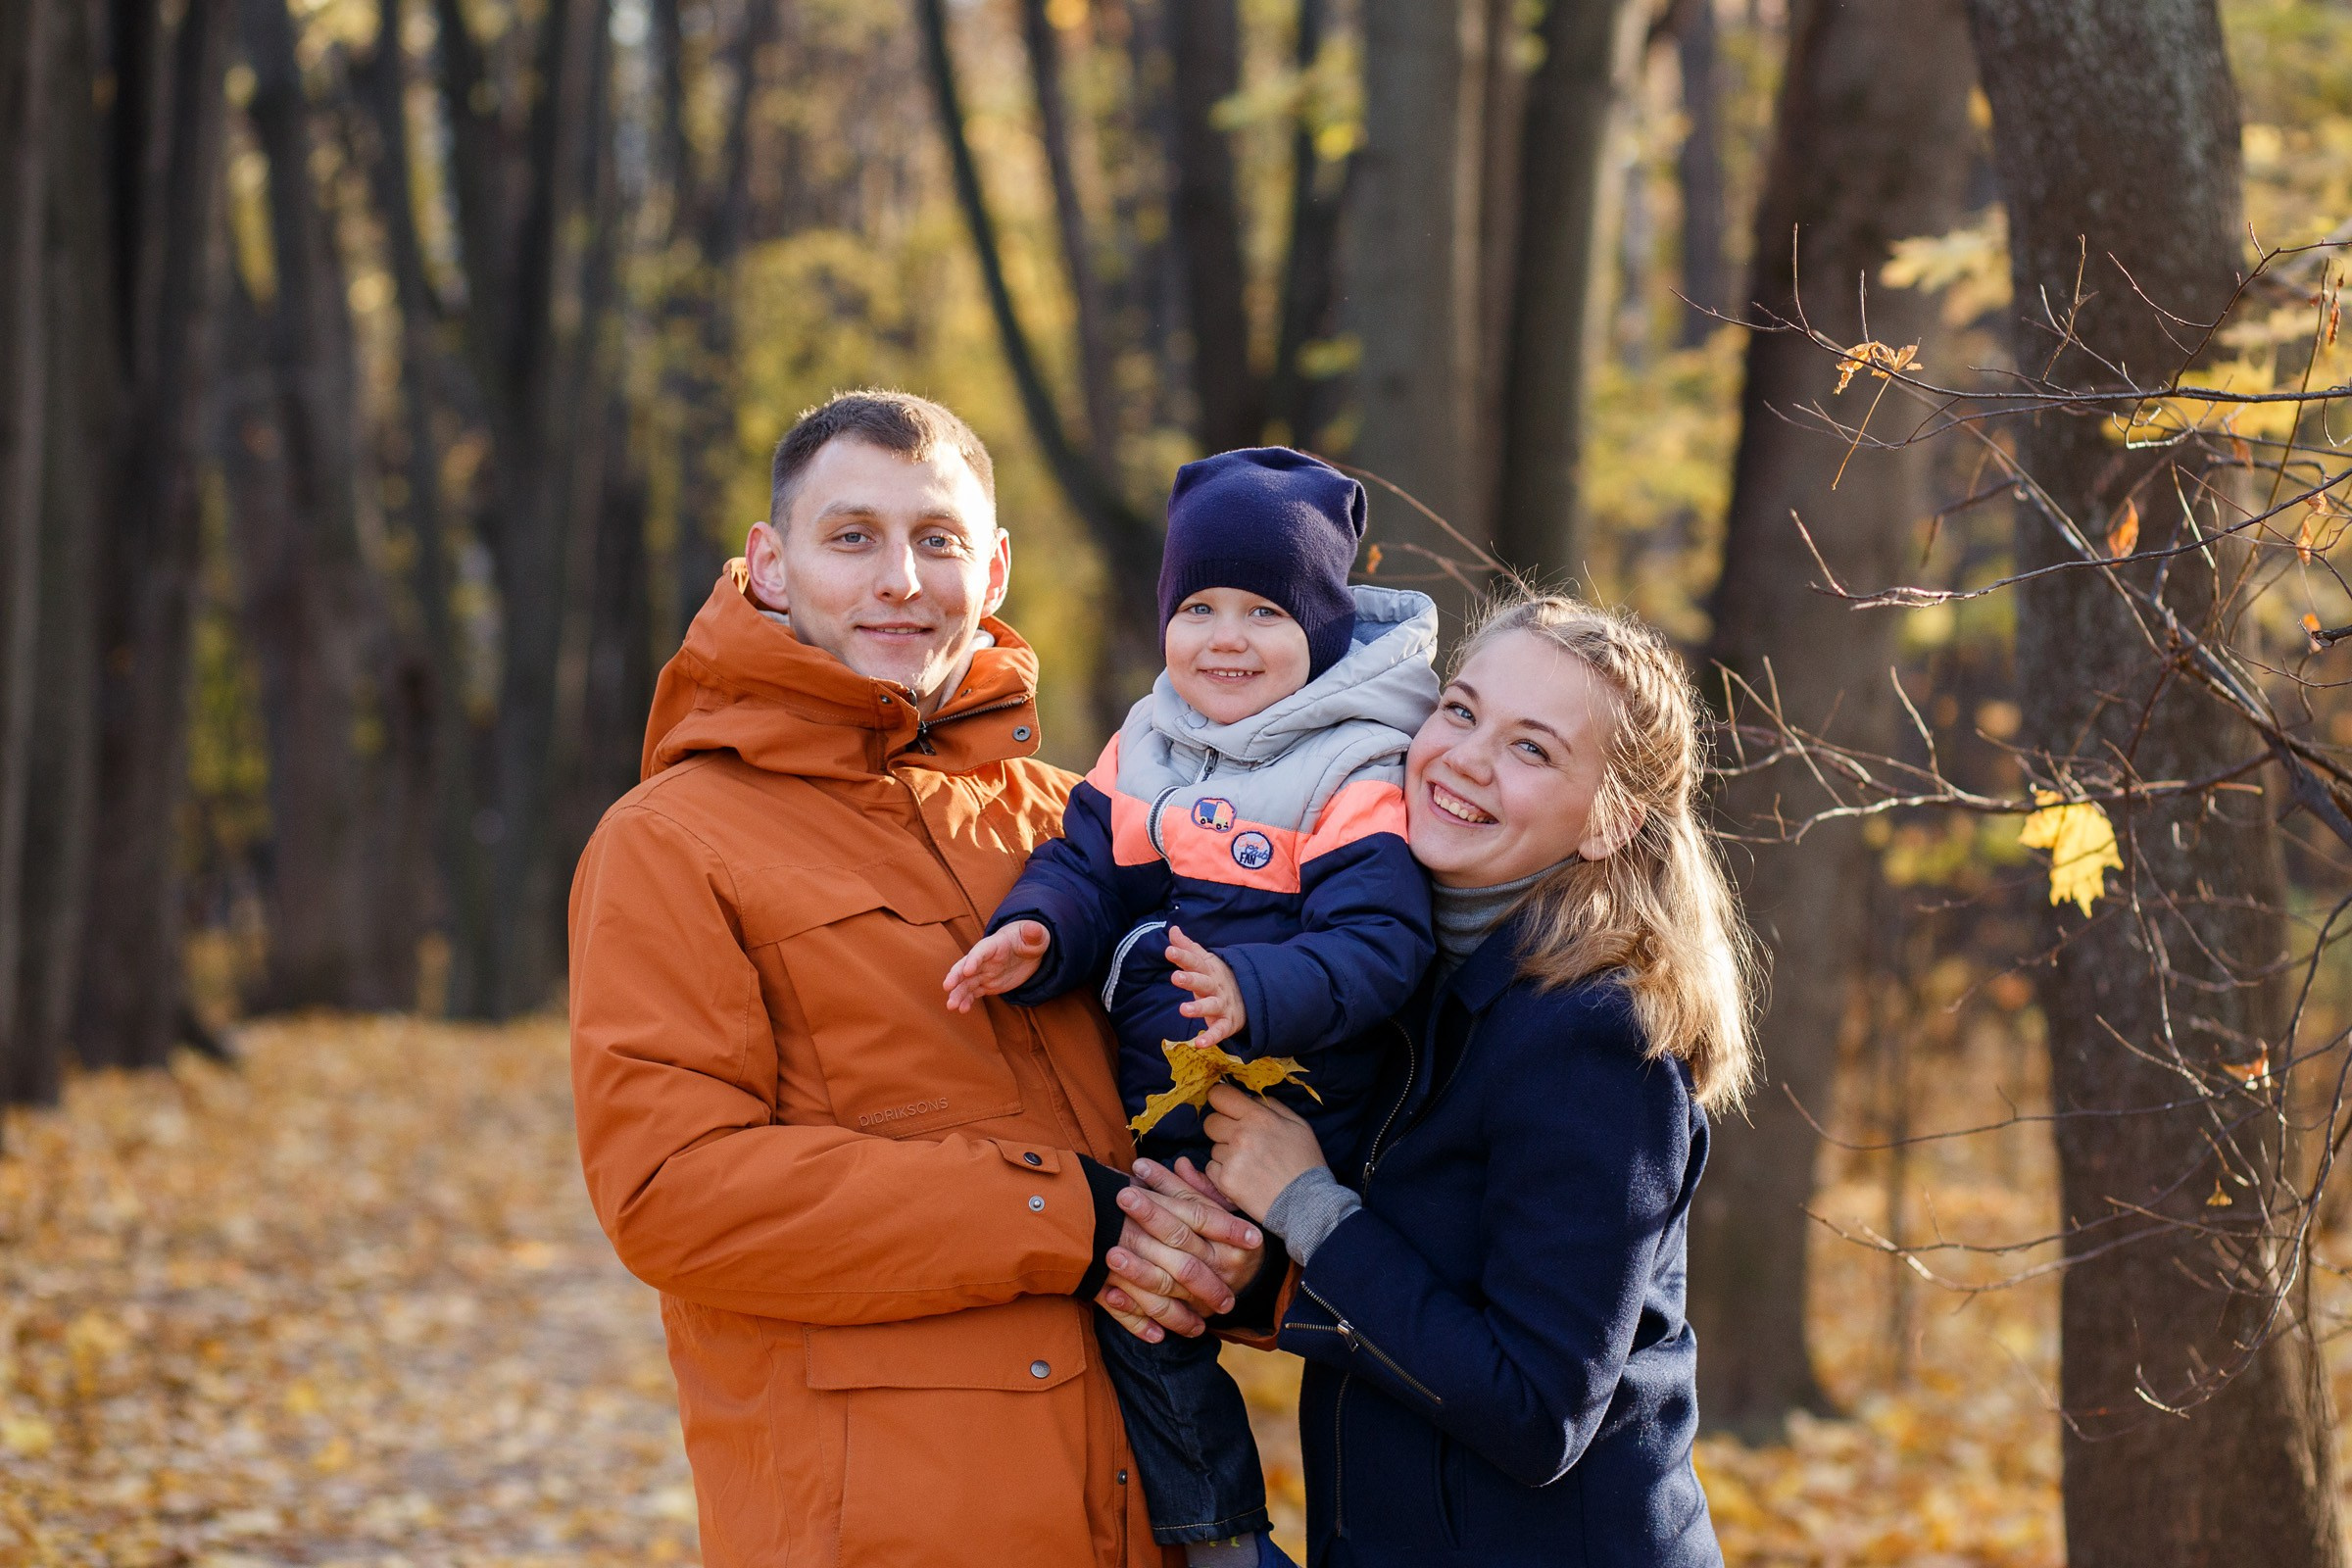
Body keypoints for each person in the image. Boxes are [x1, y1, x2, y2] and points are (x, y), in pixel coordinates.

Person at [567, 389, 1260, 1568]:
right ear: (771, 566)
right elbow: (674, 1190)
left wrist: (1247, 1243)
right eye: (853, 537)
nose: (901, 577)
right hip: (882, 1529)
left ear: (990, 571)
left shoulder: (1080, 826)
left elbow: (1208, 1077)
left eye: (936, 539)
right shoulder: (669, 842)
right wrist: (1065, 1216)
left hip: (1150, 1514)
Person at [944, 447, 1439, 1568]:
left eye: (1263, 610)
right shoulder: (1151, 740)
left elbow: (1383, 943)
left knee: (1154, 1297)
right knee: (1137, 1300)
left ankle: (1224, 1547)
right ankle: (1203, 1534)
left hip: (1291, 1092)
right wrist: (1040, 929)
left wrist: (1258, 991)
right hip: (1160, 1104)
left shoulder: (1354, 765)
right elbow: (1086, 863)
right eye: (1199, 605)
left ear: (1319, 625)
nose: (1225, 635)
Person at [1203, 591, 1756, 1567]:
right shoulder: (1413, 973)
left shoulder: (1594, 1034)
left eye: (1532, 749)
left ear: (1609, 821)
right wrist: (1238, 1278)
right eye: (1460, 711)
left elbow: (1538, 1406)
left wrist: (1307, 1206)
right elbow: (1422, 1288)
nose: (1464, 756)